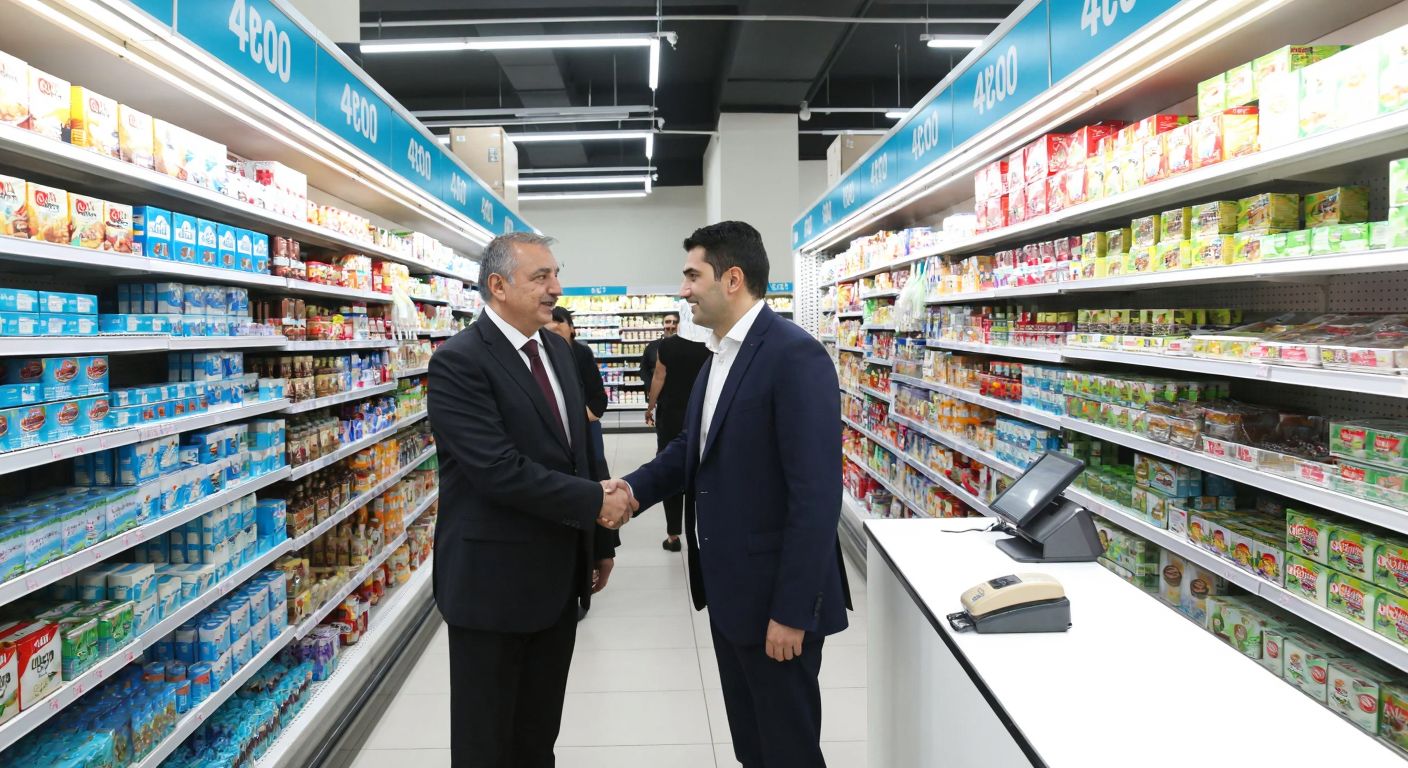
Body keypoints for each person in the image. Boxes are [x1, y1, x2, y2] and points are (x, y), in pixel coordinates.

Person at [608, 221, 851, 768]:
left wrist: (792, 611)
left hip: (777, 603)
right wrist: (630, 489)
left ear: (733, 278)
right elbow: (689, 451)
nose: (684, 289)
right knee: (751, 744)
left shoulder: (794, 355)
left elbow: (815, 497)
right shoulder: (720, 354)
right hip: (730, 593)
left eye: (693, 276)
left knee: (788, 748)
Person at [427, 231, 635, 768]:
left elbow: (581, 454)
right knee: (486, 742)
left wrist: (602, 540)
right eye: (541, 277)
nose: (555, 288)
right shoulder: (460, 362)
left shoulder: (557, 353)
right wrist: (594, 501)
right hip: (492, 586)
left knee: (538, 735)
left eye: (555, 274)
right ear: (497, 286)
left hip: (558, 578)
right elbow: (497, 470)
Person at [644, 309, 710, 552]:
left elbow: (658, 379)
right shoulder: (711, 346)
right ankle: (704, 530)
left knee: (671, 469)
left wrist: (650, 407)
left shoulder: (668, 347)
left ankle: (673, 535)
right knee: (703, 470)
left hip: (671, 417)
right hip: (701, 415)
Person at [639, 311, 679, 393]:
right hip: (658, 394)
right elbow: (644, 369)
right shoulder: (652, 346)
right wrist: (651, 386)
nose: (671, 325)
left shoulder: (685, 346)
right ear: (663, 325)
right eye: (667, 322)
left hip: (678, 393)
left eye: (674, 322)